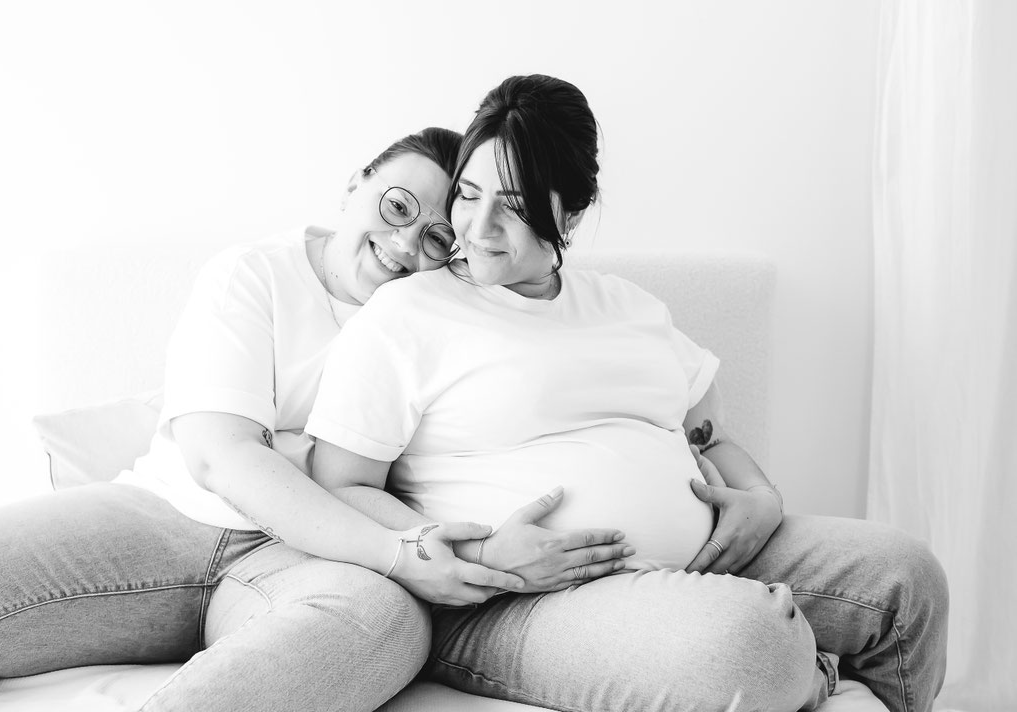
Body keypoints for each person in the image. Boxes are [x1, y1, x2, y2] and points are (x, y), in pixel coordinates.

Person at [306, 75, 950, 712]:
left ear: (573, 212)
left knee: (906, 578)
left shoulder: (627, 305)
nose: (478, 227)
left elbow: (709, 432)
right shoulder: (408, 312)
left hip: (707, 561)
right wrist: (480, 554)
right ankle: (807, 672)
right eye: (468, 196)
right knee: (750, 645)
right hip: (513, 598)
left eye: (516, 204)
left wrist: (759, 495)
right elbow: (342, 486)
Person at [0, 127, 633, 712]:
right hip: (169, 518)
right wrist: (396, 556)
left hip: (316, 559)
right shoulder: (255, 273)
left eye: (436, 236)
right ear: (353, 186)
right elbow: (219, 455)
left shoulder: (447, 316)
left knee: (382, 625)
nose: (403, 242)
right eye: (396, 206)